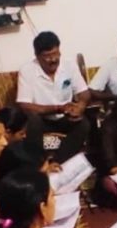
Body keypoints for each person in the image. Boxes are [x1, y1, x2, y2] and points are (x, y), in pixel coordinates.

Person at [16, 31, 92, 164]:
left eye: (56, 54)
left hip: (65, 117)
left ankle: (58, 163)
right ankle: (39, 165)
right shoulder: (27, 70)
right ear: (37, 56)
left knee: (84, 124)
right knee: (33, 121)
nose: (53, 59)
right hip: (42, 120)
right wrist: (57, 108)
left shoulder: (69, 65)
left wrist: (80, 106)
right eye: (47, 56)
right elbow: (24, 105)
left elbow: (84, 93)